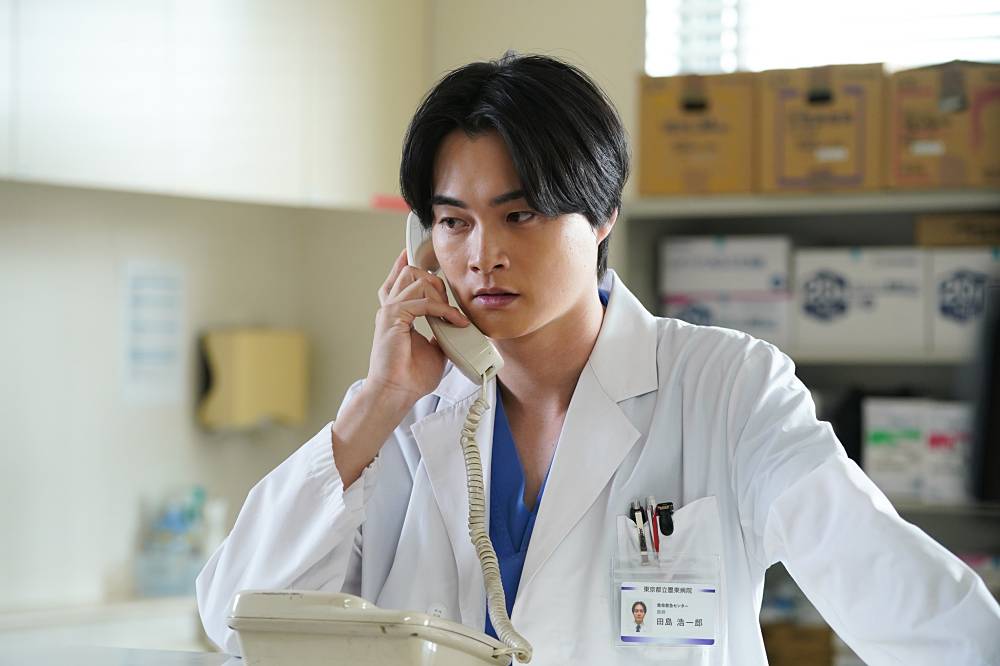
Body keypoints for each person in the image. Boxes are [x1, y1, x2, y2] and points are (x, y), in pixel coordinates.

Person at [196, 51, 1000, 664]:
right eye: (453, 221)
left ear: (603, 213)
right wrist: (374, 406)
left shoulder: (728, 388)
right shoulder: (403, 417)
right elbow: (235, 620)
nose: (482, 255)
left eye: (521, 215)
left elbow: (913, 607)